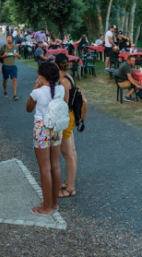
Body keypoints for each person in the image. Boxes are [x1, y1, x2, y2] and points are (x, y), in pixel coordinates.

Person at [26, 62, 66, 216]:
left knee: (45, 169)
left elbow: (29, 108)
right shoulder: (61, 89)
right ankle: (53, 203)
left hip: (42, 128)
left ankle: (46, 208)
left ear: (41, 77)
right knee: (55, 166)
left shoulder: (38, 92)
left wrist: (35, 88)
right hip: (57, 128)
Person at [54, 54, 85, 199]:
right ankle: (69, 181)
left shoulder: (62, 81)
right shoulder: (69, 77)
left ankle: (71, 188)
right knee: (72, 151)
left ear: (56, 64)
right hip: (72, 117)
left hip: (66, 118)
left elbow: (64, 104)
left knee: (68, 155)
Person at [0, 35, 20, 101]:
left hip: (13, 66)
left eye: (10, 38)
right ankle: (5, 90)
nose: (9, 39)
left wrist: (17, 55)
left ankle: (15, 95)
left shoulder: (15, 47)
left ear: (12, 40)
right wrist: (3, 55)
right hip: (5, 66)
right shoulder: (3, 47)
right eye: (8, 38)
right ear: (6, 39)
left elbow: (19, 56)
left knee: (14, 79)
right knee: (5, 80)